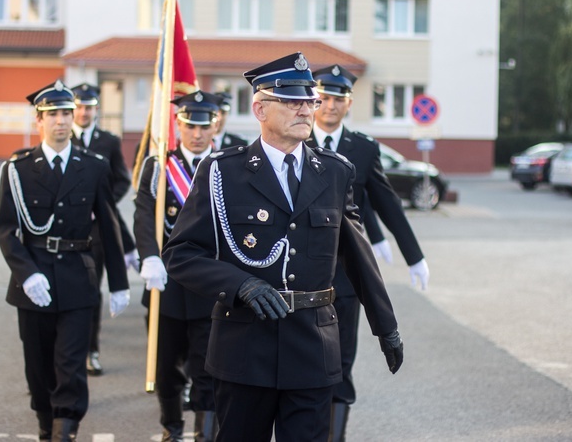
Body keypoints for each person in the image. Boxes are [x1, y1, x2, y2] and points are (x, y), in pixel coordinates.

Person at [161, 52, 404, 442]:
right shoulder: (223, 171)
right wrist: (242, 284)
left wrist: (386, 327)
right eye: (292, 100)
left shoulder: (336, 171)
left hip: (312, 345)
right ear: (260, 107)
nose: (306, 109)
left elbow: (359, 258)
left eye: (310, 100)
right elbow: (181, 253)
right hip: (243, 347)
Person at [0, 80, 130, 441]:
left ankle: (64, 430)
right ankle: (45, 424)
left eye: (67, 113)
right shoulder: (18, 169)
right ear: (39, 120)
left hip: (77, 277)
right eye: (53, 114)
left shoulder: (94, 166)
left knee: (71, 367)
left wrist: (118, 283)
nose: (62, 121)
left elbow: (109, 222)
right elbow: (6, 228)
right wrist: (26, 273)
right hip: (34, 281)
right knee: (39, 370)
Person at [309, 63, 430, 440]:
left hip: (346, 278)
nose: (330, 106)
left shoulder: (362, 148)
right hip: (300, 276)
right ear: (313, 101)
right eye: (324, 98)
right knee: (304, 366)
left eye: (338, 99)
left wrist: (414, 256)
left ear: (349, 104)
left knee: (341, 364)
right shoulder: (296, 142)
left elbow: (386, 202)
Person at [134, 90, 222, 442]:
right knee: (166, 367)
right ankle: (171, 428)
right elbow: (143, 212)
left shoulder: (226, 164)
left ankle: (205, 433)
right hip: (166, 282)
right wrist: (149, 255)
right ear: (178, 125)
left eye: (203, 126)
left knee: (208, 367)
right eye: (189, 126)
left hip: (210, 285)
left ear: (214, 126)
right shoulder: (158, 165)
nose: (197, 134)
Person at [70, 83, 139, 376]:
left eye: (90, 107)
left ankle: (90, 351)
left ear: (97, 109)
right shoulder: (60, 136)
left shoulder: (108, 141)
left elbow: (123, 179)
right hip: (68, 229)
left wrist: (104, 202)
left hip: (96, 229)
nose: (85, 112)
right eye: (80, 106)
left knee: (91, 290)